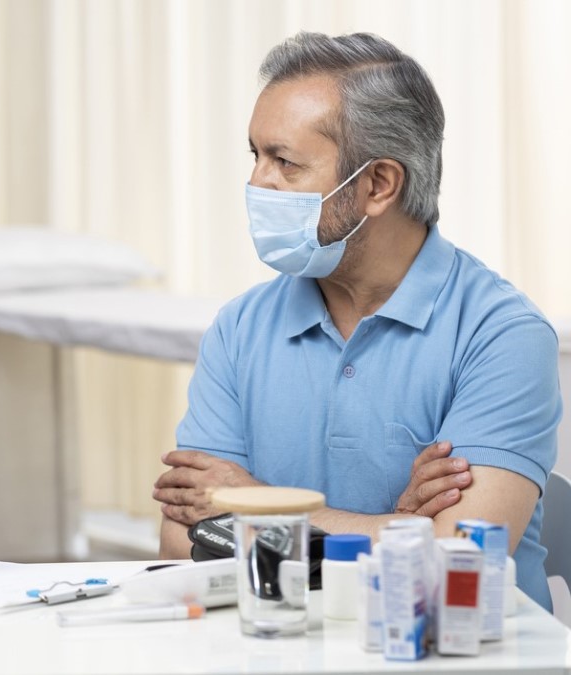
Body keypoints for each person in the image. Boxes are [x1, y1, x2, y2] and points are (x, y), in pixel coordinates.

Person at [152, 32, 560, 609]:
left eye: (284, 162)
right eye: (256, 155)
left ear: (377, 184)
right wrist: (398, 531)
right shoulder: (240, 327)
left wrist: (257, 502)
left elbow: (461, 562)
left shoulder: (501, 335)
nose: (257, 182)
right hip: (282, 646)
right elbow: (184, 542)